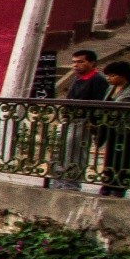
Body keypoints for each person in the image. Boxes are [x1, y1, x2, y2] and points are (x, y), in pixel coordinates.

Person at [48, 49, 106, 189]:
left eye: (80, 62)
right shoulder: (77, 78)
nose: (75, 65)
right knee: (61, 152)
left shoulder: (97, 80)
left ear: (92, 63)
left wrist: (93, 123)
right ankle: (59, 182)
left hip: (82, 122)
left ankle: (71, 183)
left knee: (75, 154)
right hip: (69, 121)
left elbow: (99, 104)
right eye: (74, 62)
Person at [99, 60, 130, 196]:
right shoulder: (111, 88)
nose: (109, 79)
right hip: (112, 126)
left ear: (123, 75)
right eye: (107, 76)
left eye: (112, 75)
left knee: (124, 156)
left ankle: (120, 185)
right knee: (110, 156)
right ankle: (107, 183)